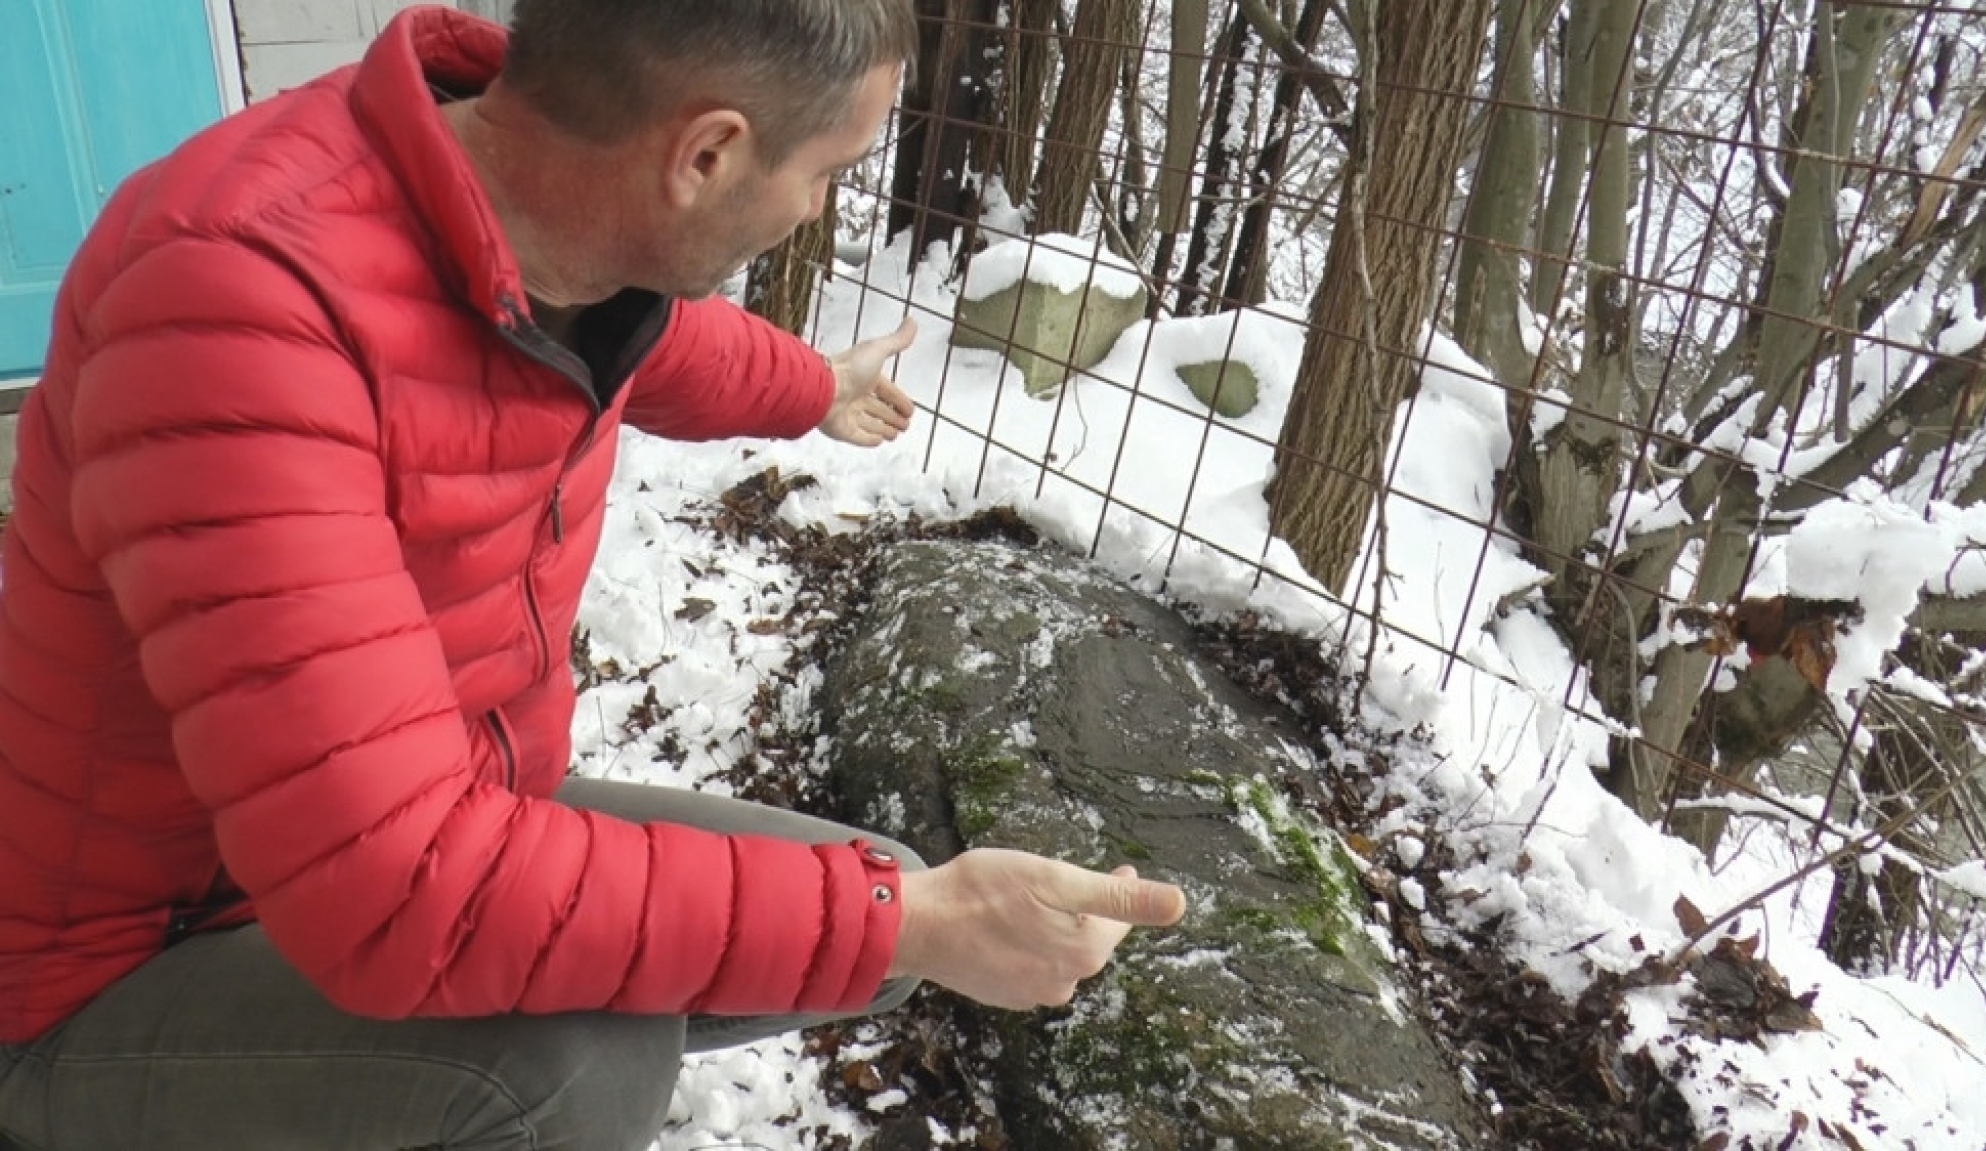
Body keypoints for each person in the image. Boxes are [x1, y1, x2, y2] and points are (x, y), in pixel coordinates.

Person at [0, 2, 1186, 1147]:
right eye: (827, 171)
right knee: (580, 1065)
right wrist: (906, 922)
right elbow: (395, 889)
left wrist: (818, 389)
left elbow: (669, 345)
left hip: (406, 820)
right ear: (705, 154)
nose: (819, 207)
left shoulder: (544, 212)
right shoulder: (237, 305)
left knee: (875, 904)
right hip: (108, 968)